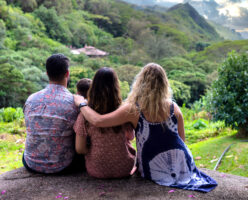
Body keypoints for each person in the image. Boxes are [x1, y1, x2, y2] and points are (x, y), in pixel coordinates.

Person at [73, 63, 217, 192]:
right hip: (183, 165)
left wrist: (81, 104)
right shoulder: (175, 108)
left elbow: (98, 121)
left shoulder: (133, 109)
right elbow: (182, 140)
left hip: (153, 168)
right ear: (164, 84)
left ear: (140, 83)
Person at [23, 54, 83, 174]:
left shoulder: (31, 99)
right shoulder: (75, 102)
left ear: (47, 73)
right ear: (67, 73)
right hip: (63, 166)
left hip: (31, 163)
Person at [73, 67, 136, 178]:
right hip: (124, 168)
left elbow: (80, 149)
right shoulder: (123, 112)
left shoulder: (85, 114)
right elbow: (130, 137)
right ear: (116, 87)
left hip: (97, 170)